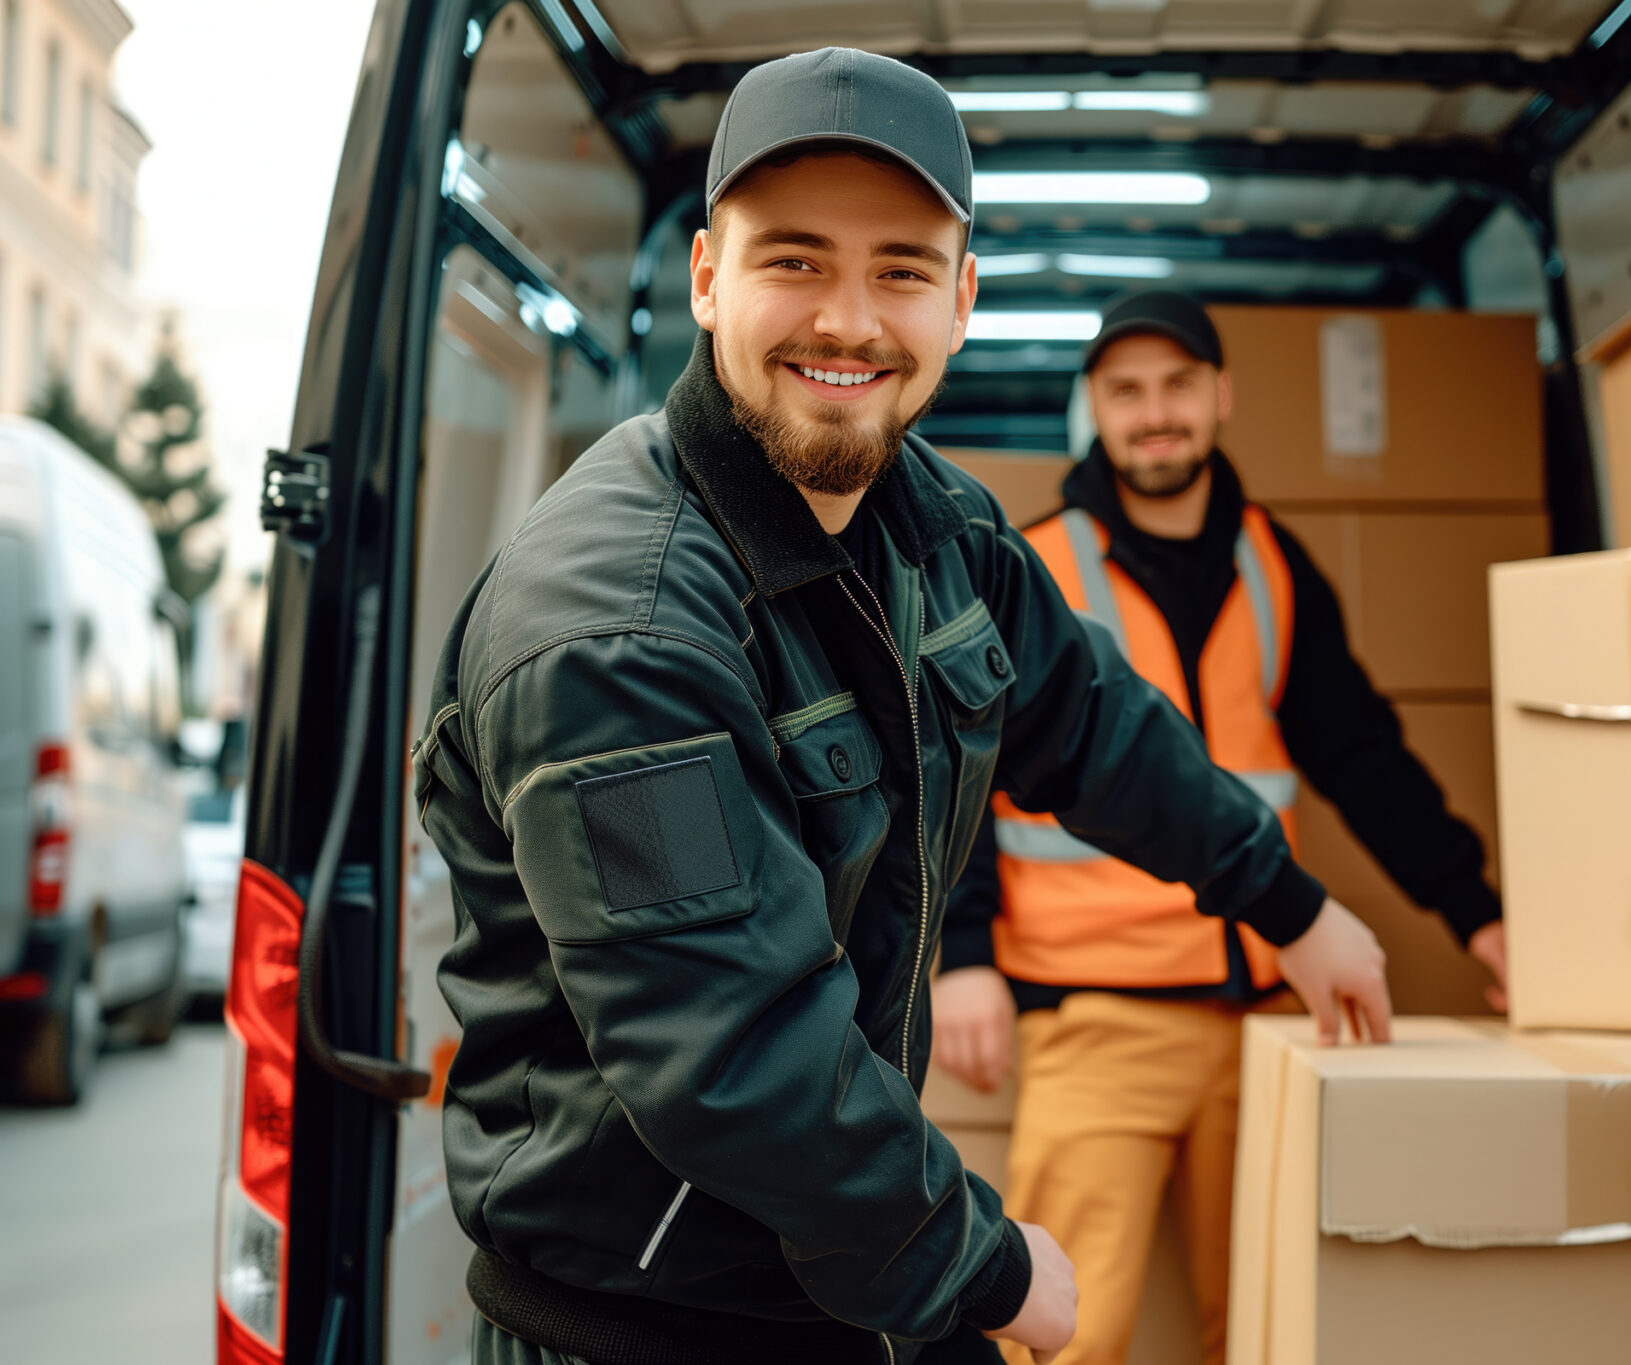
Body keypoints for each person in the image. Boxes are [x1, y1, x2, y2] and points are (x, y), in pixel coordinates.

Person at [415, 50, 1392, 1365]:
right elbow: (730, 1049)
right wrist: (980, 1264)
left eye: (902, 271)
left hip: (830, 1278)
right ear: (708, 277)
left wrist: (1290, 904)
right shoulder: (613, 625)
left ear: (963, 301)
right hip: (640, 1324)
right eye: (796, 261)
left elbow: (1094, 721)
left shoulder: (931, 523)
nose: (850, 320)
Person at [932, 289, 1509, 1365]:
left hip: (1266, 1018)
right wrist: (960, 957)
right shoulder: (1037, 566)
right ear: (1091, 409)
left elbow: (1362, 760)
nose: (1154, 414)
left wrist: (1477, 914)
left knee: (1270, 1325)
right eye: (1125, 392)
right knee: (1062, 1334)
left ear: (1220, 396)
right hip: (1093, 1018)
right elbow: (956, 772)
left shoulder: (1272, 564)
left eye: (1177, 386)